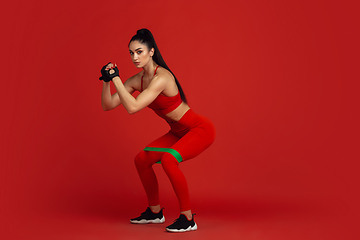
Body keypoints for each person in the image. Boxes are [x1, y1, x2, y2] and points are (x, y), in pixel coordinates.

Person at [99, 28, 215, 233]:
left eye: (139, 51)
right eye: (131, 53)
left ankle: (188, 219)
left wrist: (116, 78)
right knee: (141, 160)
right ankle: (155, 213)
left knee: (169, 161)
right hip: (177, 132)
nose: (135, 57)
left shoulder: (162, 77)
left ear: (151, 51)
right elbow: (108, 105)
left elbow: (133, 107)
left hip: (199, 129)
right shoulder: (137, 80)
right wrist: (107, 82)